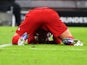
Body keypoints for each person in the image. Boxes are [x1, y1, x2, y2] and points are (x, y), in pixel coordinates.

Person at [12, 7, 83, 46]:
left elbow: (31, 41)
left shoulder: (33, 37)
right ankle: (71, 41)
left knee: (15, 39)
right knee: (69, 38)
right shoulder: (47, 33)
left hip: (34, 15)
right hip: (50, 15)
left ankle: (20, 39)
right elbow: (57, 40)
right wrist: (58, 40)